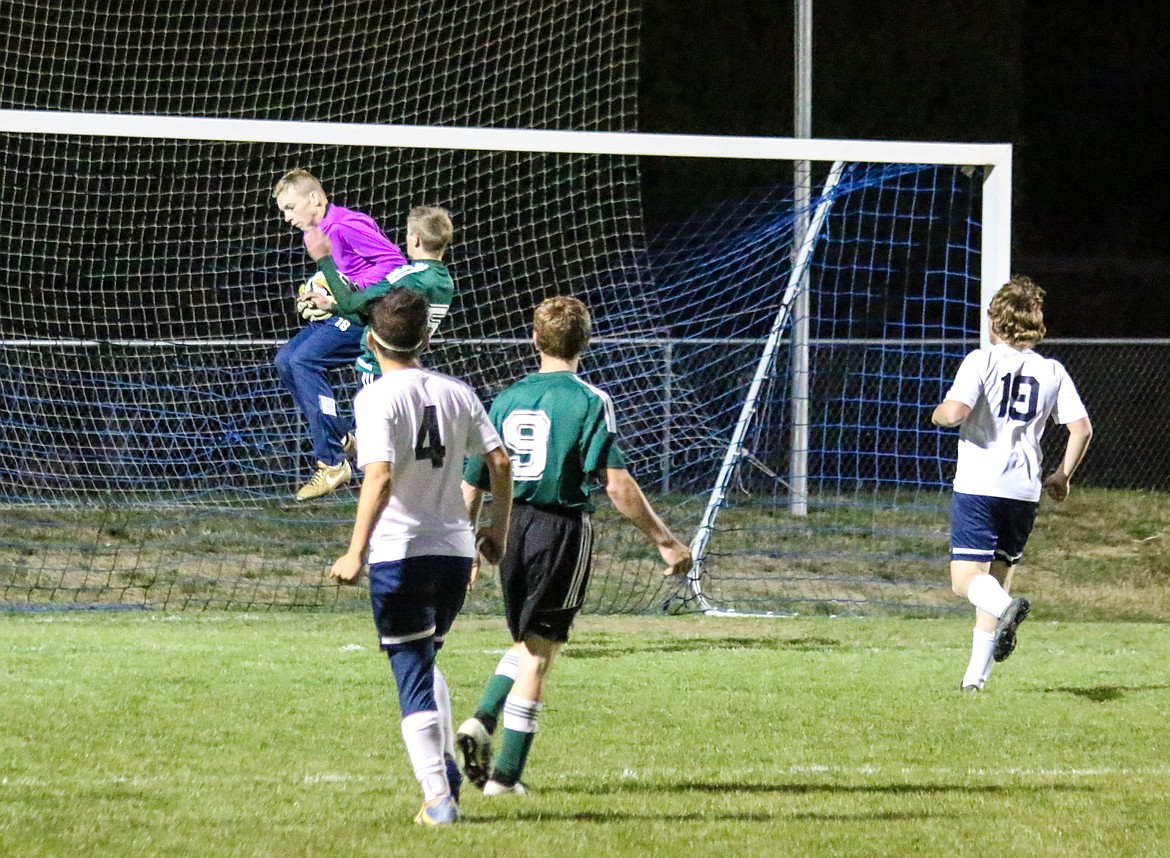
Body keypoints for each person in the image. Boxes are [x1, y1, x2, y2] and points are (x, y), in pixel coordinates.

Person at [455, 295, 693, 795]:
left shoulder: (505, 398)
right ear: (585, 343)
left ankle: (481, 720)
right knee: (540, 653)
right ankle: (505, 779)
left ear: (534, 339)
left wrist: (467, 544)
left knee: (527, 638)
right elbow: (617, 486)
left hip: (511, 528)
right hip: (559, 530)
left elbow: (473, 480)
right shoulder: (589, 400)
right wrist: (666, 541)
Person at [329, 287, 513, 826]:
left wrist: (355, 551)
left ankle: (438, 800)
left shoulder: (375, 398)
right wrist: (496, 529)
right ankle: (448, 774)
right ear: (426, 339)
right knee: (425, 656)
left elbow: (380, 476)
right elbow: (500, 463)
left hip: (400, 554)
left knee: (410, 672)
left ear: (370, 340)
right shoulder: (458, 391)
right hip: (453, 554)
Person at [931, 275, 1092, 692]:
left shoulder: (980, 361)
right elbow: (1081, 429)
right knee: (997, 577)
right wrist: (1062, 475)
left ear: (995, 321)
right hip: (1023, 489)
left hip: (980, 483)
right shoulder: (1052, 370)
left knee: (966, 581)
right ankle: (974, 682)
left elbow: (955, 413)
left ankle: (1007, 610)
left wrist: (939, 412)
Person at [271, 168, 407, 502]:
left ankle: (331, 460)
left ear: (314, 199)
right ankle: (344, 436)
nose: (287, 217)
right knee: (285, 359)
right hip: (345, 311)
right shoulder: (314, 233)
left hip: (367, 316)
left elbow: (395, 262)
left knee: (303, 360)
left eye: (290, 207)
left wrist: (350, 288)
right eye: (283, 211)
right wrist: (316, 291)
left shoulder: (344, 225)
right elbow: (343, 271)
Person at [302, 205, 454, 386]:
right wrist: (331, 307)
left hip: (378, 370)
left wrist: (324, 259)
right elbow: (380, 321)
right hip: (409, 371)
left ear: (415, 240)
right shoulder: (445, 282)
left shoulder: (409, 276)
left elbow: (350, 303)